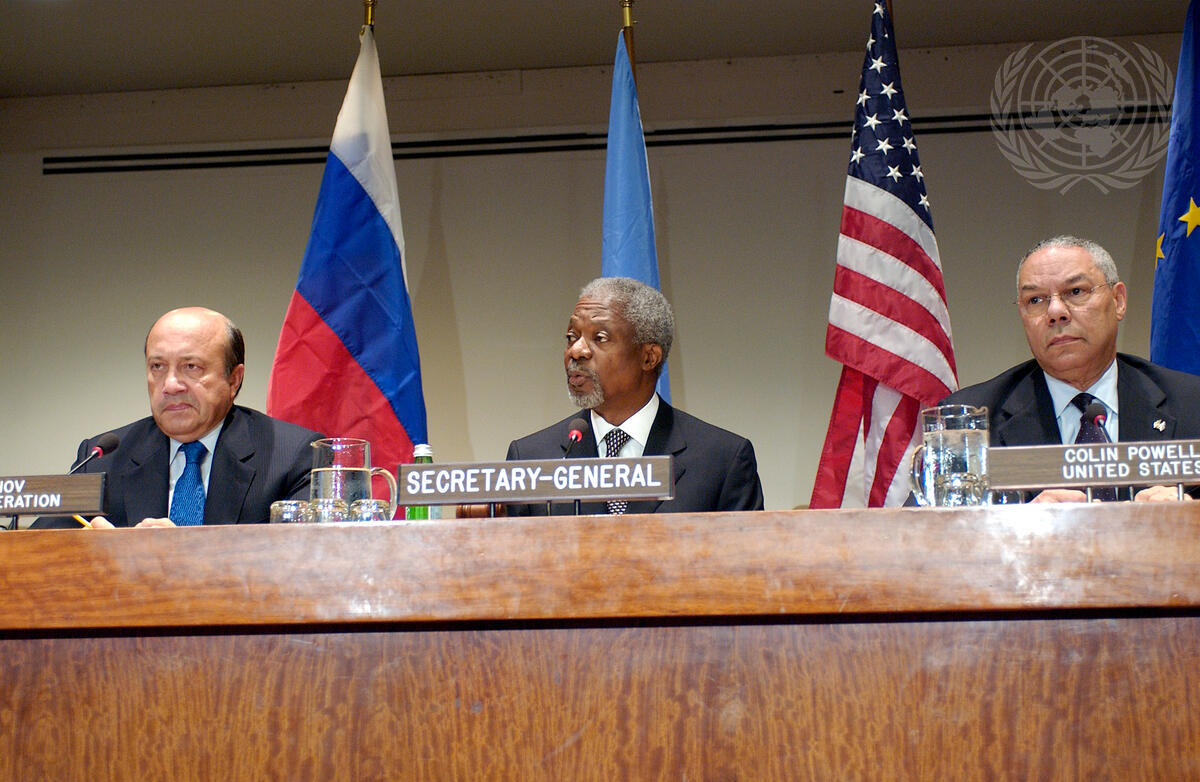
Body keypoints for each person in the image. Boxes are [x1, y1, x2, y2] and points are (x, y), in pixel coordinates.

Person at [941, 236, 1200, 502]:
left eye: (1076, 292)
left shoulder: (1192, 406)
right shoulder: (969, 423)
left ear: (1118, 301)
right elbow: (937, 524)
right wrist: (1019, 522)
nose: (1055, 312)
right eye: (1035, 300)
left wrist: (1191, 517)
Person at [33, 307, 323, 528]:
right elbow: (35, 553)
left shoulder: (292, 457)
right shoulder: (101, 460)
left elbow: (304, 563)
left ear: (234, 380)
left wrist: (181, 556)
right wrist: (108, 556)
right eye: (157, 366)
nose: (170, 385)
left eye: (191, 367)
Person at [505, 277, 764, 515]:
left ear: (649, 357)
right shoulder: (530, 459)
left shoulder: (722, 460)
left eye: (599, 338)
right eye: (572, 337)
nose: (576, 350)